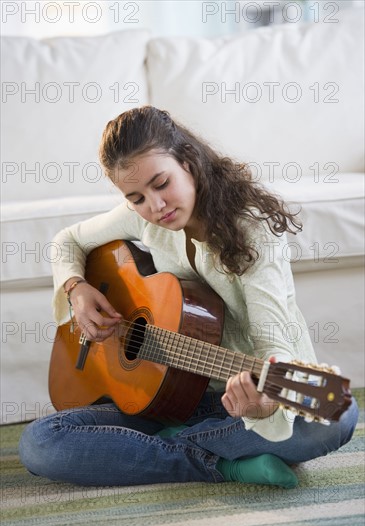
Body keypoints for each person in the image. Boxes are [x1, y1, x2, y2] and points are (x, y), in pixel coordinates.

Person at [19, 106, 358, 488]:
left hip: (234, 404)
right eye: (136, 197)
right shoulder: (144, 218)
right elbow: (68, 241)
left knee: (338, 415)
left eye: (161, 183)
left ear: (190, 162)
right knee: (39, 443)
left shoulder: (252, 231)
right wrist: (76, 289)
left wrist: (262, 407)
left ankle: (162, 451)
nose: (155, 206)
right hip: (162, 398)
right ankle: (222, 464)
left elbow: (273, 343)